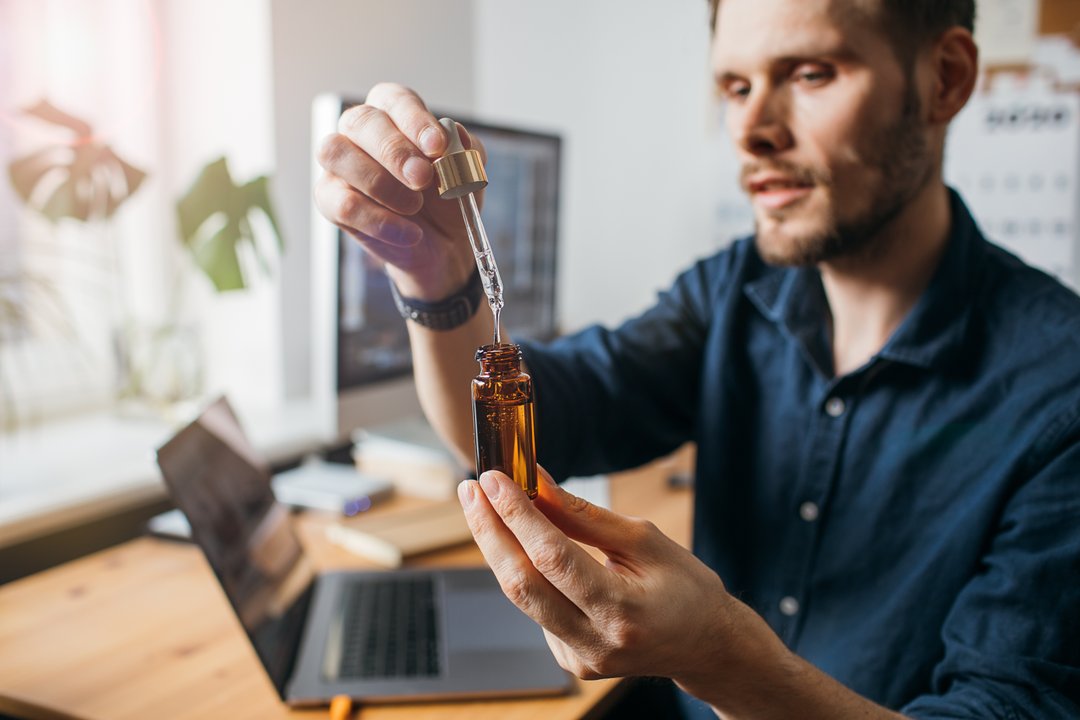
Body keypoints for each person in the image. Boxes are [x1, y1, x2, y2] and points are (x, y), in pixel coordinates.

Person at [314, 0, 1080, 715]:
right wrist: (438, 279)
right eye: (735, 86)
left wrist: (718, 656)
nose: (750, 129)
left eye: (811, 74)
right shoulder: (732, 291)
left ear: (943, 79)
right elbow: (548, 416)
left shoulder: (1059, 389)